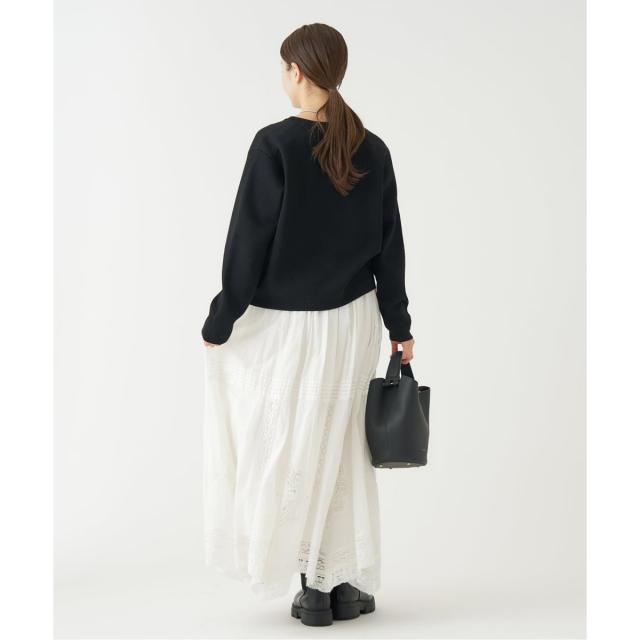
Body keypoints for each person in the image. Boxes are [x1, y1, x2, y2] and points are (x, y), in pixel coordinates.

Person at [201, 22, 415, 626]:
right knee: (341, 443)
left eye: (284, 67)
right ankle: (340, 583)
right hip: (353, 320)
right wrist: (399, 326)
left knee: (292, 447)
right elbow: (390, 249)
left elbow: (248, 243)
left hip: (287, 325)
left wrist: (223, 318)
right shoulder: (372, 149)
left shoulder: (274, 145)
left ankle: (313, 589)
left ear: (297, 71)